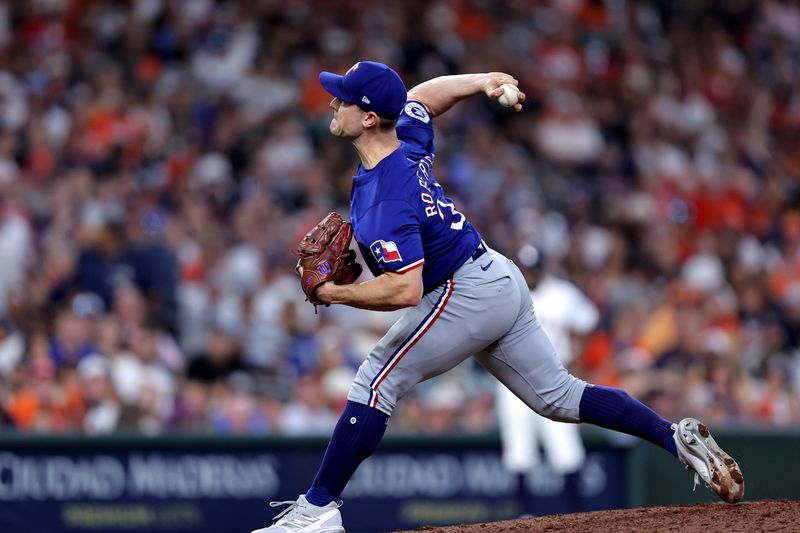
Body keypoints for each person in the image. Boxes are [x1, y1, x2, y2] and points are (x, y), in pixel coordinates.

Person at [251, 62, 744, 533]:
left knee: (375, 380)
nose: (332, 104)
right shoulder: (407, 139)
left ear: (369, 117)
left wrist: (337, 292)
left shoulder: (385, 200)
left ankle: (317, 509)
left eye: (342, 99)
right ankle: (673, 437)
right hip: (496, 274)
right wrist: (480, 81)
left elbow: (407, 289)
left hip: (462, 292)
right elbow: (422, 98)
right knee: (560, 397)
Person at [495, 245, 597, 498]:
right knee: (518, 451)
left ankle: (575, 519)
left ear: (543, 268)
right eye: (526, 269)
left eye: (534, 269)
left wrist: (577, 362)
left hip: (555, 378)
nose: (530, 274)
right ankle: (523, 517)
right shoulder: (503, 292)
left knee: (566, 449)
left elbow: (587, 323)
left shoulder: (562, 294)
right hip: (513, 379)